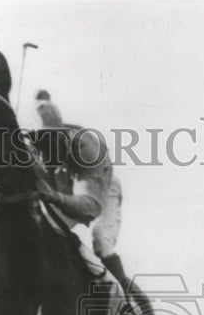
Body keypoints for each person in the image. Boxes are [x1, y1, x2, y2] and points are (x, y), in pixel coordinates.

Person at [31, 90, 131, 292]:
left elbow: (90, 207)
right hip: (65, 188)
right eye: (37, 140)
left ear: (60, 131)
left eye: (49, 138)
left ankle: (128, 301)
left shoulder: (86, 150)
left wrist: (52, 196)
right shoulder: (31, 151)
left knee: (102, 238)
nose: (45, 147)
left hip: (100, 189)